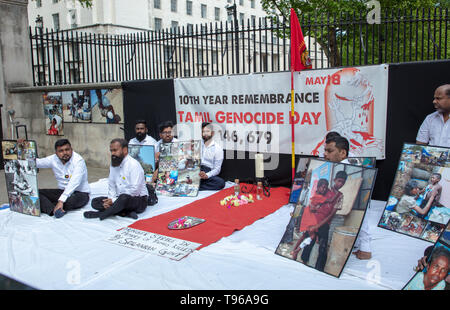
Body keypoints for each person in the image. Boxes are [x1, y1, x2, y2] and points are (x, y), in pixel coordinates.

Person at [325, 134, 373, 260]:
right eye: (325, 150)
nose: (325, 154)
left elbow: (365, 218)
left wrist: (365, 248)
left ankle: (364, 249)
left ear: (343, 153)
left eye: (329, 151)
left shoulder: (351, 170)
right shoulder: (341, 164)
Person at [84, 138, 148, 220]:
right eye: (111, 151)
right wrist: (111, 199)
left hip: (138, 200)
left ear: (125, 150)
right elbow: (111, 185)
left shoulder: (134, 165)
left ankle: (101, 214)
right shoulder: (114, 163)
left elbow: (135, 190)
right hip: (119, 199)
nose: (112, 153)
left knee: (123, 198)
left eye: (115, 150)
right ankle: (124, 212)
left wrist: (114, 201)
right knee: (95, 201)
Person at [300, 171, 347, 271]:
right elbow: (313, 205)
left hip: (325, 224)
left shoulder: (340, 196)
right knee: (309, 242)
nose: (341, 184)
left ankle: (319, 270)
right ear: (334, 180)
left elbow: (331, 214)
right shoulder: (324, 188)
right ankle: (303, 262)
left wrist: (317, 226)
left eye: (343, 182)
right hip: (314, 220)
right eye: (339, 181)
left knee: (323, 248)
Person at [32, 139, 90, 218]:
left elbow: (74, 182)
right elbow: (35, 163)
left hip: (80, 193)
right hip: (62, 192)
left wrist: (61, 200)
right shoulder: (53, 159)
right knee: (36, 193)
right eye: (61, 151)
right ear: (56, 153)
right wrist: (22, 148)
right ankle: (53, 210)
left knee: (70, 201)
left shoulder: (78, 161)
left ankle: (52, 206)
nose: (65, 153)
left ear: (71, 150)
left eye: (67, 150)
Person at [291, 178, 330, 260]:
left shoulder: (315, 195)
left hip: (308, 216)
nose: (324, 189)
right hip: (311, 218)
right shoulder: (318, 196)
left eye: (326, 188)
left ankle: (294, 250)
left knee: (304, 236)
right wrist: (318, 207)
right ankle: (297, 251)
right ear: (318, 187)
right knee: (311, 237)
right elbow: (313, 209)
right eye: (323, 187)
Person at [199, 122, 225, 191]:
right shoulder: (197, 144)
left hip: (208, 172)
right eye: (203, 131)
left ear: (212, 133)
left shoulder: (218, 148)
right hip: (197, 170)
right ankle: (196, 184)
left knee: (221, 183)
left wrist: (206, 175)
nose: (205, 134)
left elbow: (217, 169)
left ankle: (197, 186)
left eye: (207, 131)